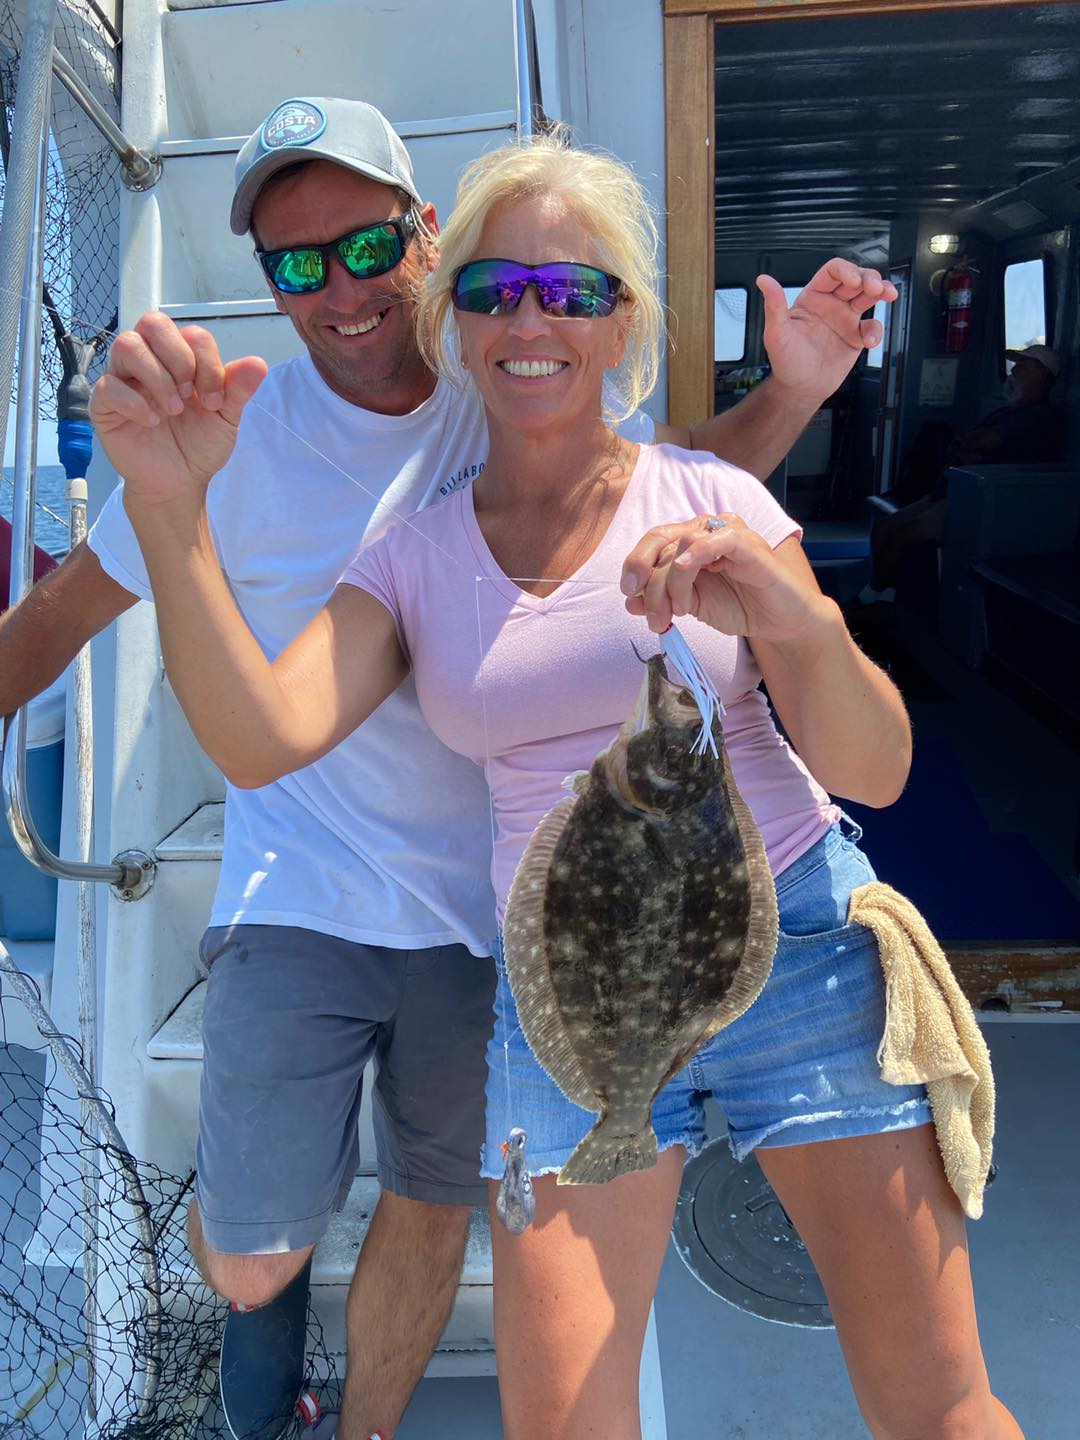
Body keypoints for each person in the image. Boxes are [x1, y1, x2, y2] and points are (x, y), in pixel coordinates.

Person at [99, 131, 1020, 1440]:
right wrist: (170, 510)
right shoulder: (411, 560)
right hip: (571, 1009)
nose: (531, 320)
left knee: (940, 1409)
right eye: (495, 289)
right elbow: (260, 736)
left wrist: (797, 621)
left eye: (571, 289)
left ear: (621, 320)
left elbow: (878, 767)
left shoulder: (712, 496)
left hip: (800, 963)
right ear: (453, 316)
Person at [859, 342, 1063, 605]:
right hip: (950, 489)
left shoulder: (1040, 417)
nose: (1014, 371)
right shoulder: (1008, 412)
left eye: (1023, 365)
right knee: (882, 530)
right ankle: (873, 596)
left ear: (1043, 374)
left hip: (981, 502)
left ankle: (884, 603)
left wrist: (969, 450)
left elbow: (983, 441)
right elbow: (966, 443)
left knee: (901, 535)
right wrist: (967, 450)